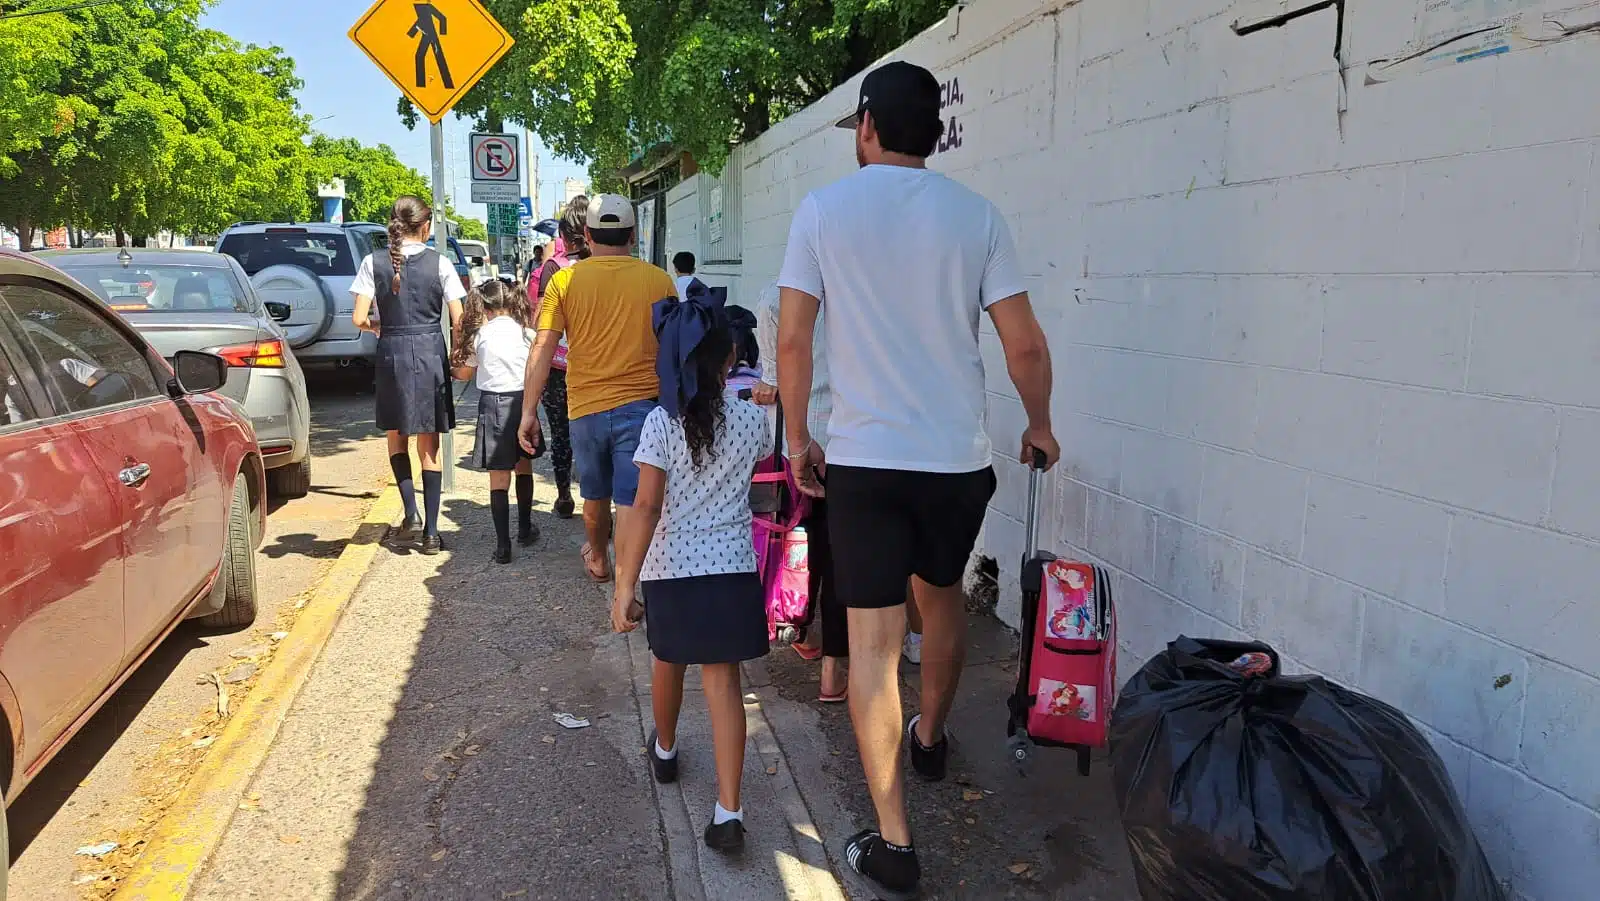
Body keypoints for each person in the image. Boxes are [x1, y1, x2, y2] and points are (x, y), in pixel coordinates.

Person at [775, 61, 1058, 899]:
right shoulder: (978, 216)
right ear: (933, 132)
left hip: (864, 463)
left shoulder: (823, 211)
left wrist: (798, 439)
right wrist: (1038, 424)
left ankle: (894, 839)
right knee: (940, 596)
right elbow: (1026, 346)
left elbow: (792, 341)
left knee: (870, 646)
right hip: (955, 465)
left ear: (866, 125)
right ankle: (931, 735)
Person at [610, 286, 771, 854]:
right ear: (731, 359)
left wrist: (624, 584)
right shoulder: (752, 423)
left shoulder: (660, 423)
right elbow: (767, 444)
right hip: (730, 568)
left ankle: (667, 749)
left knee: (667, 660)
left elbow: (647, 507)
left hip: (670, 567)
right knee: (724, 682)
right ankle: (729, 809)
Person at [519, 194, 677, 582]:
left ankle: (599, 562)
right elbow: (675, 348)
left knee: (593, 496)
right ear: (634, 236)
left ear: (587, 235)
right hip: (644, 408)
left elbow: (543, 347)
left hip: (585, 408)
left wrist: (528, 411)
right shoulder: (659, 280)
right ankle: (627, 585)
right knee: (631, 500)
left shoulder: (565, 281)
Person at [353, 195, 466, 555]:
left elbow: (357, 318)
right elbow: (459, 319)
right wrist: (458, 355)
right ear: (427, 227)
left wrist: (378, 326)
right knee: (429, 446)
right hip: (431, 352)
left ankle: (411, 514)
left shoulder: (374, 262)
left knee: (396, 436)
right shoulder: (441, 263)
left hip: (393, 354)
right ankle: (432, 533)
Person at [451, 278, 540, 563]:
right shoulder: (527, 334)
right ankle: (525, 528)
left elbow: (464, 374)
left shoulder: (480, 335)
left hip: (492, 404)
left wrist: (451, 362)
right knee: (523, 465)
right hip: (523, 403)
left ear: (485, 306)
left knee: (498, 478)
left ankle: (503, 545)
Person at [528, 199, 590, 519]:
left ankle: (564, 494)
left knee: (561, 432)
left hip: (559, 367)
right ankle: (597, 502)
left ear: (566, 235)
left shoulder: (554, 267)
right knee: (593, 434)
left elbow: (542, 318)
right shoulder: (602, 266)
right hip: (595, 367)